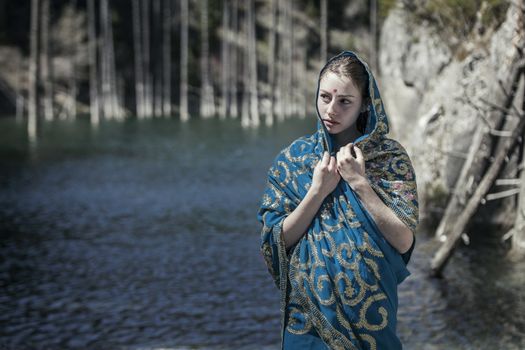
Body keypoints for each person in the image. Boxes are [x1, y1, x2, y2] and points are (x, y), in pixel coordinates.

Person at [257, 51, 419, 349]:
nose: (331, 109)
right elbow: (276, 241)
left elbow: (404, 241)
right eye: (324, 97)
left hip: (372, 321)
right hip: (307, 321)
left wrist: (360, 183)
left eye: (345, 101)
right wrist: (317, 191)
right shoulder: (294, 160)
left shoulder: (389, 159)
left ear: (364, 105)